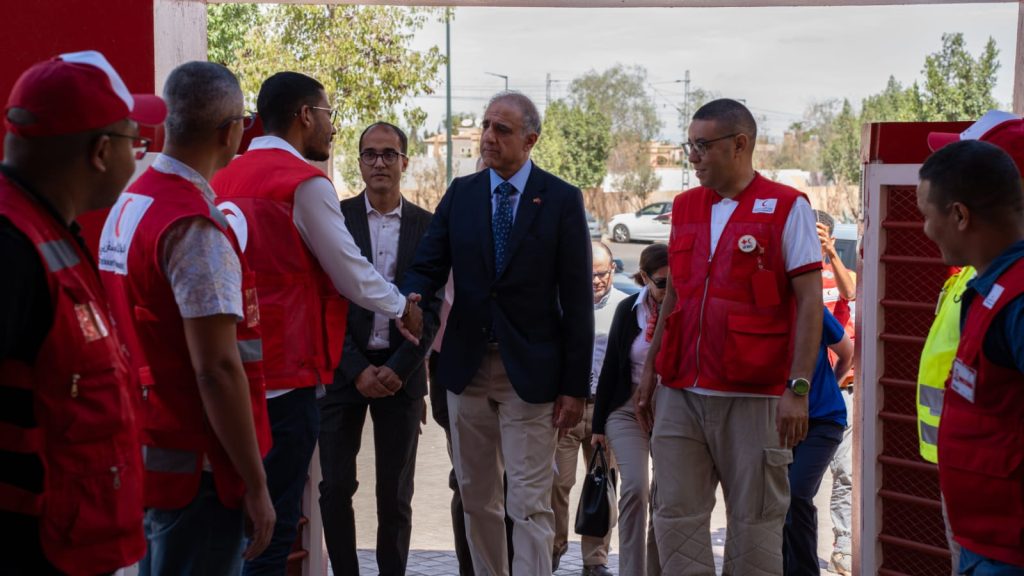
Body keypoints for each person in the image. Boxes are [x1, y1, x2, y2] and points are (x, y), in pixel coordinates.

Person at [211, 72, 423, 574]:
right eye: (328, 114)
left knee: (237, 520)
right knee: (276, 524)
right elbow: (349, 270)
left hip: (231, 366)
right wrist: (400, 307)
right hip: (286, 372)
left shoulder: (223, 176)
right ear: (305, 114)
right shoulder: (304, 182)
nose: (330, 128)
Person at [402, 90, 593, 576]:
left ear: (531, 139)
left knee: (529, 503)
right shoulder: (461, 195)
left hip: (529, 375)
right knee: (475, 497)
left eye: (501, 130)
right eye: (486, 126)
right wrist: (410, 300)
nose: (488, 137)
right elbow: (427, 265)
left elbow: (576, 301)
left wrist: (574, 387)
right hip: (465, 369)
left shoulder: (562, 200)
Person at [98, 61, 275, 575]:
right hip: (202, 473)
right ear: (231, 131)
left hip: (154, 454)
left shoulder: (132, 201)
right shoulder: (193, 228)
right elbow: (217, 369)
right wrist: (256, 485)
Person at [635, 98, 823, 575]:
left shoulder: (787, 207)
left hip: (755, 395)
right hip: (681, 392)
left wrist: (797, 389)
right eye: (689, 145)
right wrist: (650, 374)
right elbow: (673, 299)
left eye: (702, 146)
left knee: (756, 528)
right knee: (674, 519)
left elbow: (809, 304)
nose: (692, 156)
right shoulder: (685, 206)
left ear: (740, 145)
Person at [0, 50, 164, 576]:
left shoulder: (49, 235)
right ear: (99, 152)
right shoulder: (11, 249)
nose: (137, 156)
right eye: (133, 143)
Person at [318, 122, 440, 575]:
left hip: (401, 374)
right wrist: (356, 370)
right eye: (370, 154)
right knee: (334, 488)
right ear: (360, 162)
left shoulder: (429, 227)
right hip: (344, 369)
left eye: (389, 154)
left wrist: (402, 369)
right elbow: (327, 300)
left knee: (395, 494)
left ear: (405, 162)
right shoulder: (338, 219)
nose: (379, 163)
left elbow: (433, 308)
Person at [918, 109, 1024, 574]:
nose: (923, 229)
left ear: (960, 214)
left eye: (926, 215)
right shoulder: (986, 284)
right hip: (987, 537)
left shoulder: (1017, 296)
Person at [550, 240, 626, 576]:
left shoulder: (627, 308)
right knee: (556, 483)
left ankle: (595, 560)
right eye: (589, 274)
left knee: (602, 483)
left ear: (612, 270)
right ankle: (552, 549)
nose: (596, 280)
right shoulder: (560, 305)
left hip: (605, 412)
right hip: (565, 409)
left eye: (602, 273)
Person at [592, 243, 668, 576]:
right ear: (644, 279)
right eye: (662, 283)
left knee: (666, 495)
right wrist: (597, 426)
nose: (669, 289)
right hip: (626, 408)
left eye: (675, 281)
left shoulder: (687, 308)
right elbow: (611, 368)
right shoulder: (628, 310)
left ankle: (656, 569)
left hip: (670, 409)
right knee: (635, 487)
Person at [783, 307, 853, 576]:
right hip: (778, 422)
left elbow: (847, 353)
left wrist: (827, 389)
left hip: (823, 420)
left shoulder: (811, 309)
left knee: (797, 493)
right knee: (777, 500)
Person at [814, 210, 857, 576]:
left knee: (845, 472)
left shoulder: (837, 269)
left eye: (821, 234)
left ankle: (843, 547)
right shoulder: (796, 276)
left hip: (841, 386)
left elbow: (852, 291)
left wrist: (832, 253)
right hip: (805, 389)